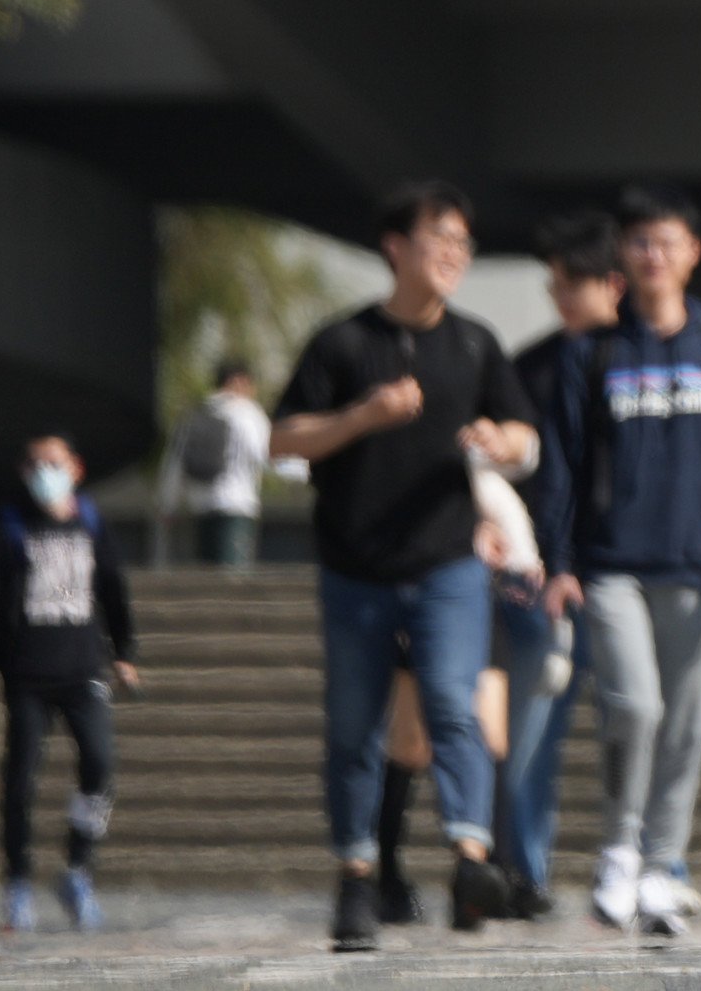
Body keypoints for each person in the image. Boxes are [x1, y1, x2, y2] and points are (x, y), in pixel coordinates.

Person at [274, 179, 545, 951]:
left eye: (464, 242)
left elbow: (525, 433)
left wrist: (505, 441)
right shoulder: (341, 343)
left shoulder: (474, 343)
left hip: (448, 565)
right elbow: (282, 437)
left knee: (455, 708)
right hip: (355, 568)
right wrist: (364, 415)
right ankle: (356, 878)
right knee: (355, 727)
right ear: (395, 247)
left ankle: (469, 857)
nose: (455, 254)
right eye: (440, 239)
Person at [536, 185, 701, 940]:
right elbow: (562, 466)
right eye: (638, 243)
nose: (652, 255)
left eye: (666, 242)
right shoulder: (591, 352)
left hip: (697, 567)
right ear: (622, 259)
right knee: (634, 705)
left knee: (685, 724)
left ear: (692, 252)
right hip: (611, 566)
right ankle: (619, 848)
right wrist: (558, 559)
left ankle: (665, 865)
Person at [499, 209, 625, 920]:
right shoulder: (531, 365)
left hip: (627, 573)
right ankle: (525, 870)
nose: (559, 297)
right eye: (552, 284)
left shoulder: (644, 357)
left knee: (636, 727)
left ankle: (652, 863)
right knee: (532, 735)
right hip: (540, 579)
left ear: (613, 282)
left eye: (570, 283)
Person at [0, 432, 139, 933]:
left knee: (100, 767)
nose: (45, 471)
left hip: (82, 668)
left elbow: (113, 591)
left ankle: (77, 867)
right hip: (27, 673)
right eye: (36, 464)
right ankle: (17, 884)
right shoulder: (12, 526)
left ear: (76, 467)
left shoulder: (92, 524)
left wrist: (125, 653)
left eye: (55, 462)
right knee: (20, 781)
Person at [174, 363, 275, 569]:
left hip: (200, 505)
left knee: (205, 578)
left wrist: (168, 503)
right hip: (236, 504)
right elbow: (265, 454)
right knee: (233, 581)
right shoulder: (247, 412)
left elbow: (174, 462)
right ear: (238, 381)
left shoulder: (196, 413)